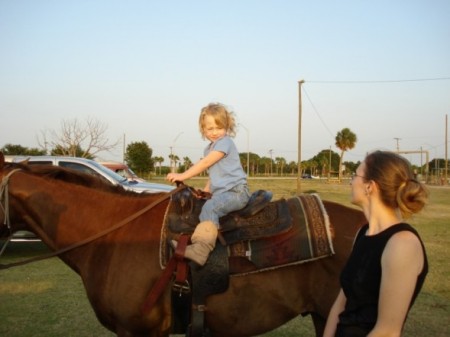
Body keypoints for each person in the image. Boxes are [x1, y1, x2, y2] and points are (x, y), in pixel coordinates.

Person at [323, 150, 428, 337]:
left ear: (370, 186)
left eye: (355, 175)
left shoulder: (402, 244)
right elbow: (341, 303)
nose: (351, 180)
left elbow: (387, 331)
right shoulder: (363, 234)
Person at [166, 103, 250, 266]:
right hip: (224, 193)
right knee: (202, 204)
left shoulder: (225, 143)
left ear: (227, 126)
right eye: (210, 128)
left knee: (210, 208)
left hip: (236, 192)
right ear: (203, 129)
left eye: (219, 128)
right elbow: (214, 173)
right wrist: (205, 190)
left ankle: (201, 250)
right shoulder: (209, 148)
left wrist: (182, 175)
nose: (214, 132)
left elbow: (206, 164)